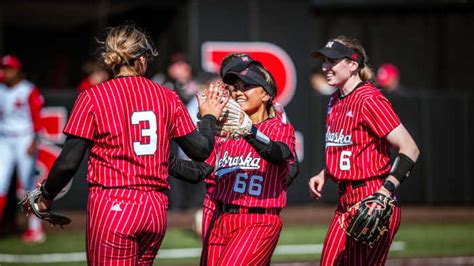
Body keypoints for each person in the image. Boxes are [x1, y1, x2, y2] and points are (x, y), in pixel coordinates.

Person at [31, 24, 228, 265]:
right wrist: (208, 117)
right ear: (143, 59)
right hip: (155, 209)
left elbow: (68, 162)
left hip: (113, 205)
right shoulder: (167, 96)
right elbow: (201, 150)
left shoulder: (93, 96)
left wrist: (47, 195)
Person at [308, 36, 420, 265]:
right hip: (344, 202)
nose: (325, 67)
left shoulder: (369, 99)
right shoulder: (334, 100)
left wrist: (385, 192)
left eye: (332, 60)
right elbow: (350, 148)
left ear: (353, 63)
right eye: (324, 61)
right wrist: (326, 173)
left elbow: (410, 148)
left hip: (373, 198)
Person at [0, 55, 45, 243]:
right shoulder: (1, 89)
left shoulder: (28, 90)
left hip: (24, 139)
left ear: (17, 70)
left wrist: (34, 142)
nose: (4, 72)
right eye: (3, 68)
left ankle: (35, 229)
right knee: (0, 183)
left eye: (8, 68)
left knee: (27, 185)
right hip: (4, 138)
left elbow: (37, 119)